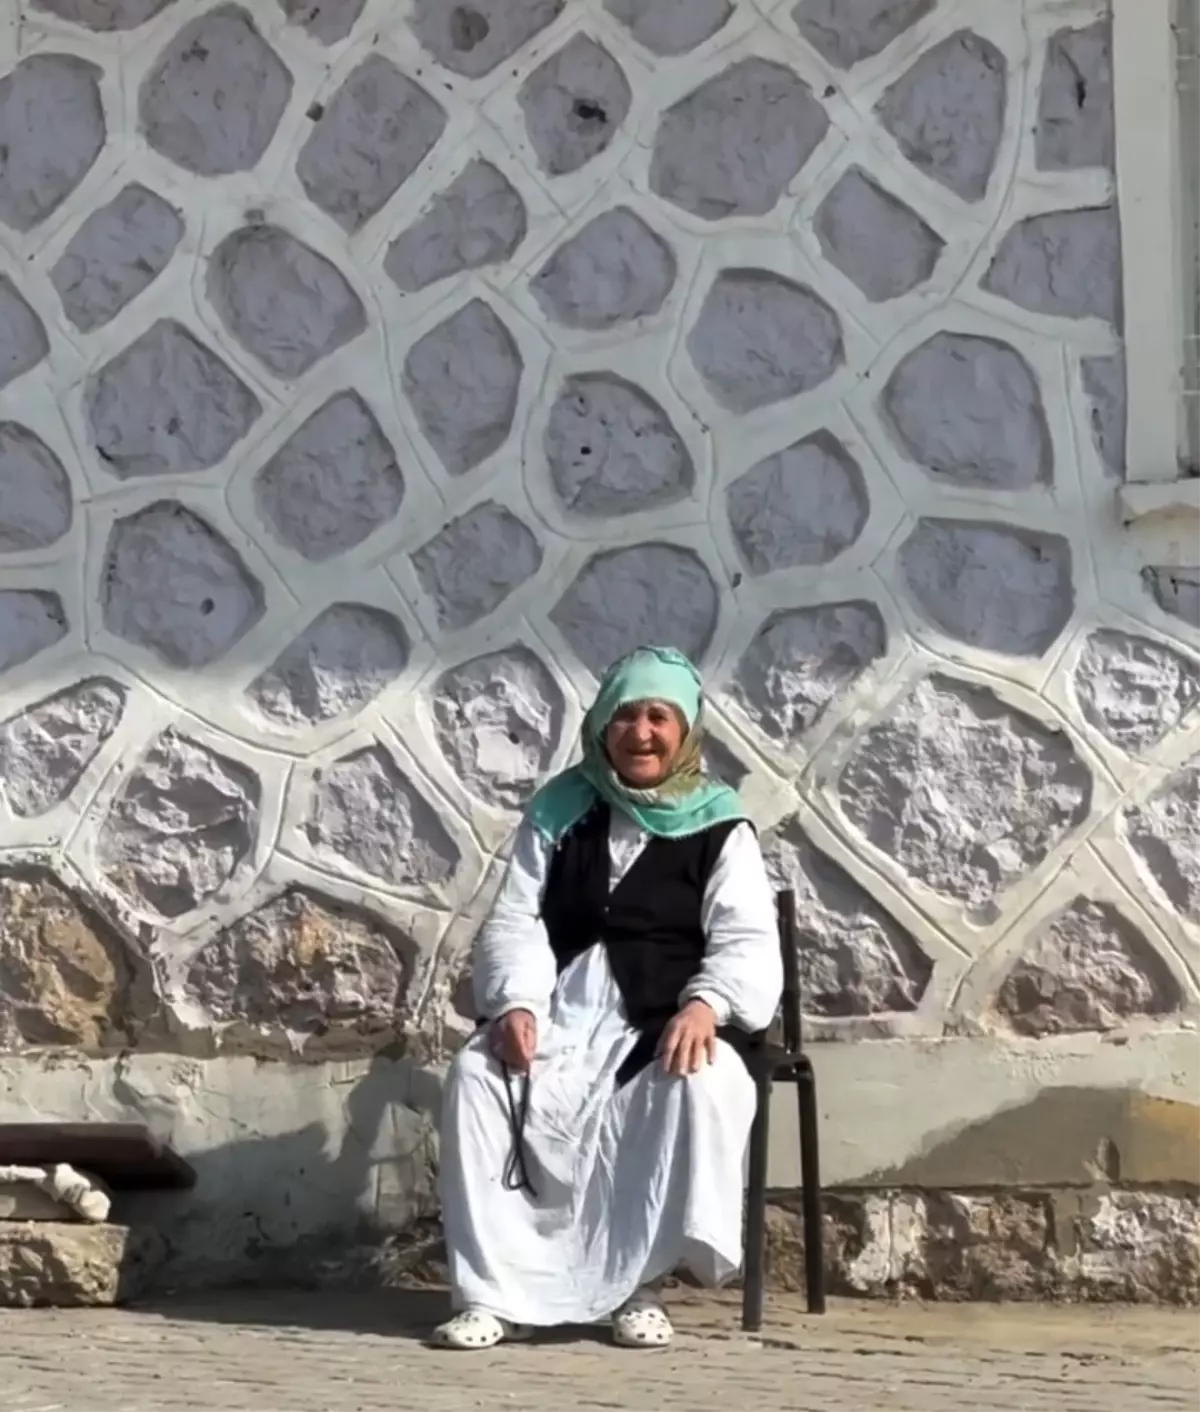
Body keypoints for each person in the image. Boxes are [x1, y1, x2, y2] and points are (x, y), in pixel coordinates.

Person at [433, 646, 783, 1350]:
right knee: (476, 1076)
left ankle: (637, 1287)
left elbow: (745, 935)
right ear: (600, 725)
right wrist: (516, 1003)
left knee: (697, 1082)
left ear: (685, 730)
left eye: (658, 717)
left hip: (661, 1021)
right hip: (561, 1015)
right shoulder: (559, 811)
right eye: (624, 716)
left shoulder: (720, 823)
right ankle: (493, 1294)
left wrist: (707, 1004)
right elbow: (516, 919)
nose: (640, 733)